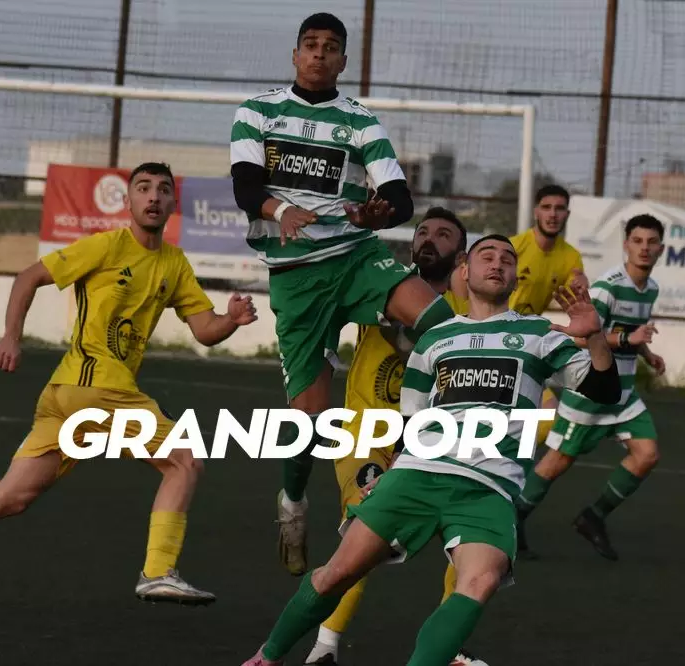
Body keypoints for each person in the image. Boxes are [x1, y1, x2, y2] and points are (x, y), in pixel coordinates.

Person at [0, 162, 258, 618]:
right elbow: (29, 277)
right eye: (143, 188)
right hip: (97, 389)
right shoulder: (107, 245)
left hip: (68, 398)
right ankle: (158, 570)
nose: (153, 197)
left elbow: (204, 329)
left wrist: (231, 320)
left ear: (172, 204)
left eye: (163, 190)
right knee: (185, 460)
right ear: (129, 201)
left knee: (11, 496)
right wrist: (10, 336)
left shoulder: (174, 264)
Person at [240, 234, 621, 666]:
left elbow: (605, 390)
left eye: (507, 259)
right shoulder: (435, 339)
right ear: (465, 271)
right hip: (416, 474)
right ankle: (267, 657)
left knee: (480, 580)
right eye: (487, 256)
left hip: (488, 486)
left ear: (516, 277)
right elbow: (414, 422)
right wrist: (390, 470)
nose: (498, 263)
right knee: (337, 573)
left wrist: (595, 338)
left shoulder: (539, 334)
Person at [230, 12, 456, 577]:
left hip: (355, 257)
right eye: (311, 45)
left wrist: (381, 212)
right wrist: (282, 210)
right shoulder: (257, 111)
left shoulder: (360, 121)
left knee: (442, 322)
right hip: (296, 277)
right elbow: (245, 187)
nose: (319, 54)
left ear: (344, 61)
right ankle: (292, 505)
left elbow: (399, 196)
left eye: (331, 47)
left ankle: (414, 433)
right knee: (309, 423)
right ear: (295, 55)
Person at [303, 207, 473, 666]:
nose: (429, 239)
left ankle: (448, 650)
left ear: (460, 256)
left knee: (468, 545)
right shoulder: (382, 285)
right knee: (364, 533)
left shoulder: (466, 316)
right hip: (364, 437)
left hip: (429, 444)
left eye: (443, 234)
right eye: (423, 232)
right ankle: (324, 647)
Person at [515, 214, 666, 562]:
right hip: (591, 393)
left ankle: (593, 517)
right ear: (626, 245)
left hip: (624, 394)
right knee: (557, 461)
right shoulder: (607, 288)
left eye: (651, 242)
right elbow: (584, 337)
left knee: (647, 455)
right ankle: (513, 517)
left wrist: (646, 353)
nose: (644, 248)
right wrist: (628, 339)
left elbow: (629, 330)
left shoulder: (651, 288)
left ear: (661, 248)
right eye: (637, 241)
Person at [505, 183, 586, 558]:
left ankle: (509, 501)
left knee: (549, 419)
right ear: (536, 211)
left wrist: (581, 287)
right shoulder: (514, 247)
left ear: (567, 214)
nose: (553, 214)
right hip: (497, 343)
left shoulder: (569, 256)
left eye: (560, 208)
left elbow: (577, 284)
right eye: (547, 207)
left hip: (528, 349)